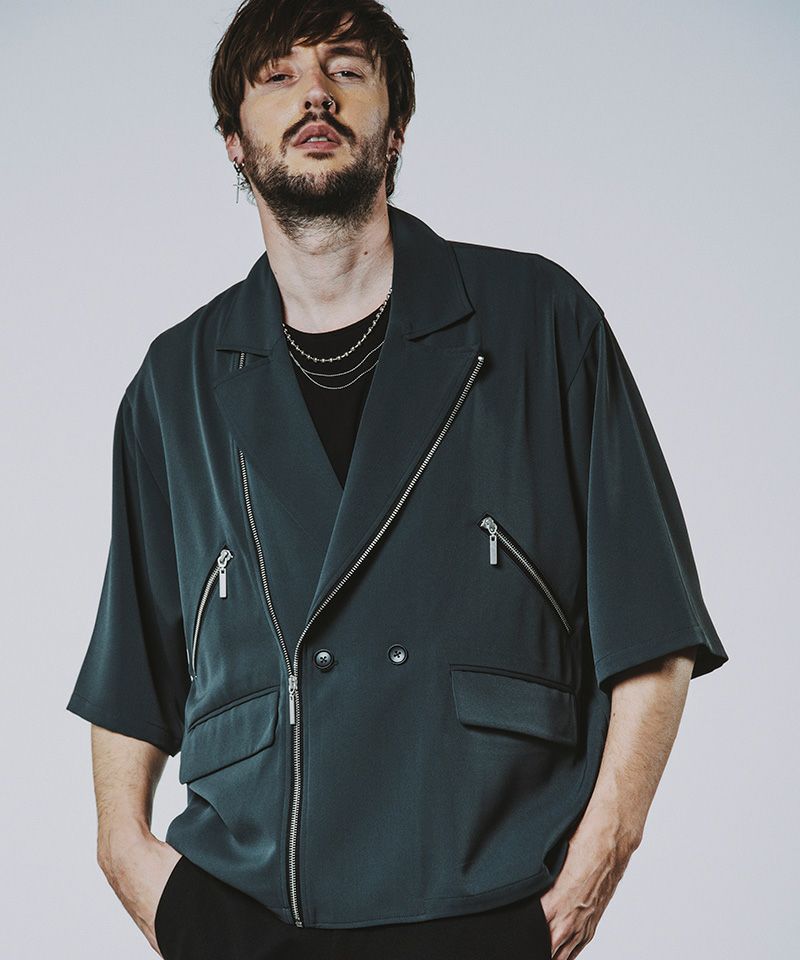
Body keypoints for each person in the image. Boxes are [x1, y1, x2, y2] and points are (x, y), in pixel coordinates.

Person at [65, 2, 729, 958]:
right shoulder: (176, 380)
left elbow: (653, 626)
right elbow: (133, 669)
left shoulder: (541, 320)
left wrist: (595, 866)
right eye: (277, 76)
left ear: (397, 125)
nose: (315, 94)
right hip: (249, 912)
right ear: (233, 143)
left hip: (486, 900)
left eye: (346, 68)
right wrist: (131, 863)